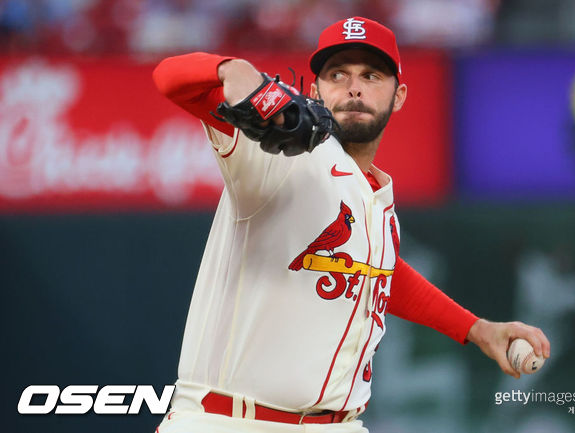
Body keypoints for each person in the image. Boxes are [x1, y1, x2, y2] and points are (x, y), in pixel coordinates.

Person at [152, 16, 550, 433]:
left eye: (371, 75)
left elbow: (379, 273)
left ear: (398, 96)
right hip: (230, 421)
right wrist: (232, 70)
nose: (354, 87)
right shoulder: (273, 153)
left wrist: (477, 329)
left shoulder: (377, 200)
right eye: (337, 74)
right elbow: (169, 79)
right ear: (313, 90)